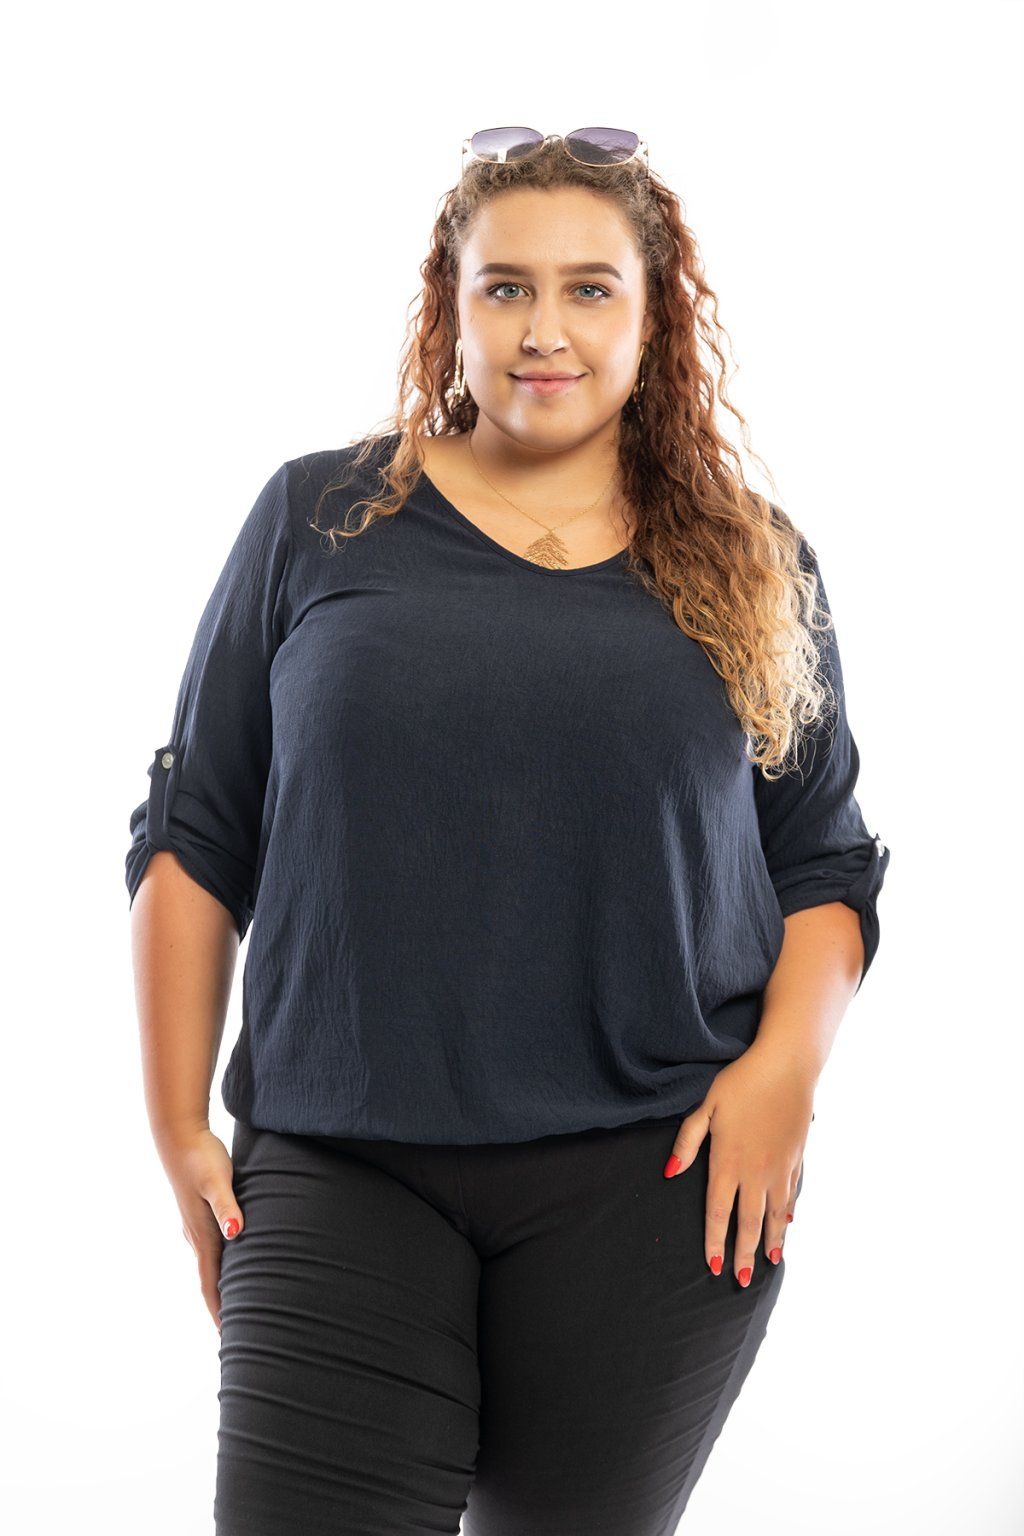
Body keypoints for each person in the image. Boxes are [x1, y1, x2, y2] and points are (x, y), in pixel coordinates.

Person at [125, 127, 891, 1536]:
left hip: (659, 1179)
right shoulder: (318, 517)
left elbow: (823, 864)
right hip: (339, 1155)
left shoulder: (755, 559)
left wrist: (784, 1071)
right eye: (506, 287)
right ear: (451, 305)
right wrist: (177, 1124)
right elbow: (195, 832)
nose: (546, 330)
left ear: (654, 319)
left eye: (591, 289)